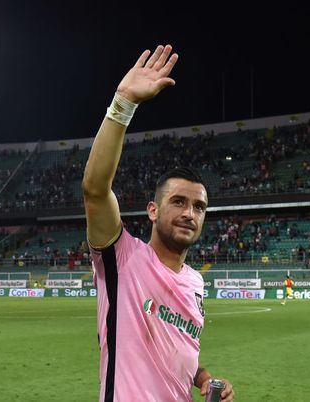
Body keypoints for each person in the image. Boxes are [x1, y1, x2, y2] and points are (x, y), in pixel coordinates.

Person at [82, 44, 234, 402]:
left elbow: (180, 351)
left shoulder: (195, 282)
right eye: (178, 202)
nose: (189, 213)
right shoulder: (122, 258)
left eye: (199, 207)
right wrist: (123, 103)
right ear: (152, 210)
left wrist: (206, 378)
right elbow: (94, 190)